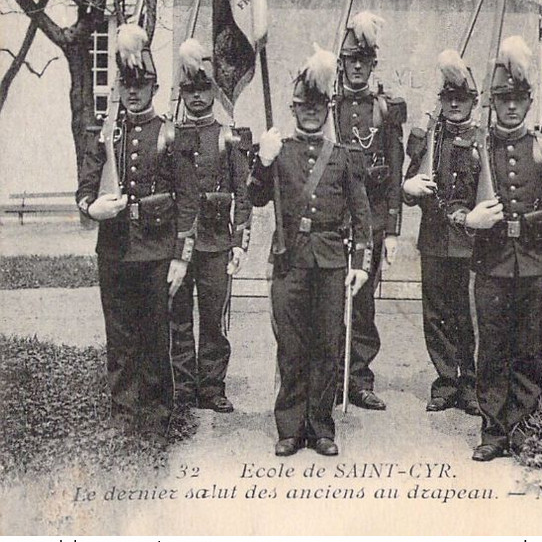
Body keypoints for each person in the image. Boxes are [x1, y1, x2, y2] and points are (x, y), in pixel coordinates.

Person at [247, 45, 372, 458]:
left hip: (331, 260)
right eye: (303, 106)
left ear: (328, 107)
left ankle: (321, 426)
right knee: (291, 344)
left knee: (327, 344)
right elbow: (256, 197)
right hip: (290, 259)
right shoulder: (279, 149)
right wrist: (262, 162)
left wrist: (360, 263)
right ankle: (289, 426)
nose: (311, 113)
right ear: (293, 108)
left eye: (318, 106)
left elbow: (360, 213)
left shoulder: (343, 157)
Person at [76, 24, 196, 435]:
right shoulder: (106, 135)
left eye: (140, 85)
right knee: (120, 337)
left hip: (155, 251)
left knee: (154, 335)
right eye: (127, 84)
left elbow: (188, 201)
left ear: (154, 87)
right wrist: (92, 208)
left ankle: (157, 415)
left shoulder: (169, 134)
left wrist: (182, 256)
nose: (133, 93)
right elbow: (85, 189)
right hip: (113, 251)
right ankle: (123, 414)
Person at [471, 36, 542, 461]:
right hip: (492, 263)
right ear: (493, 102)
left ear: (530, 102)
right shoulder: (478, 148)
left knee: (528, 349)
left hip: (531, 264)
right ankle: (493, 431)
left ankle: (526, 427)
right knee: (492, 349)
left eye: (518, 99)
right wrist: (471, 219)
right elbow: (454, 203)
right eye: (503, 99)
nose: (511, 106)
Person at [403, 50, 502, 415]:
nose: (456, 104)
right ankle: (445, 382)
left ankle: (470, 384)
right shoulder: (429, 139)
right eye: (449, 98)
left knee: (469, 315)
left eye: (462, 99)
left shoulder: (484, 140)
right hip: (433, 241)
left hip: (472, 243)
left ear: (474, 102)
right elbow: (411, 187)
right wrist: (408, 188)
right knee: (436, 314)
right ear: (441, 102)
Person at [171, 38, 252, 414]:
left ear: (213, 92)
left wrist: (239, 240)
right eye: (190, 90)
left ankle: (212, 387)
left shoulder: (227, 136)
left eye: (203, 90)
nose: (197, 98)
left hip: (217, 242)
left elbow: (243, 192)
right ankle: (184, 388)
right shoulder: (170, 136)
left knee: (214, 320)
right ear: (182, 93)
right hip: (179, 244)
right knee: (179, 317)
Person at [333, 11, 405, 411]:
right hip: (334, 219)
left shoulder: (386, 109)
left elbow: (395, 170)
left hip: (373, 220)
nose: (357, 67)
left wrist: (392, 229)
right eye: (350, 61)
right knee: (328, 303)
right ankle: (328, 379)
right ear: (342, 64)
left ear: (373, 64)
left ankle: (359, 380)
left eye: (364, 61)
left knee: (362, 304)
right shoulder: (329, 107)